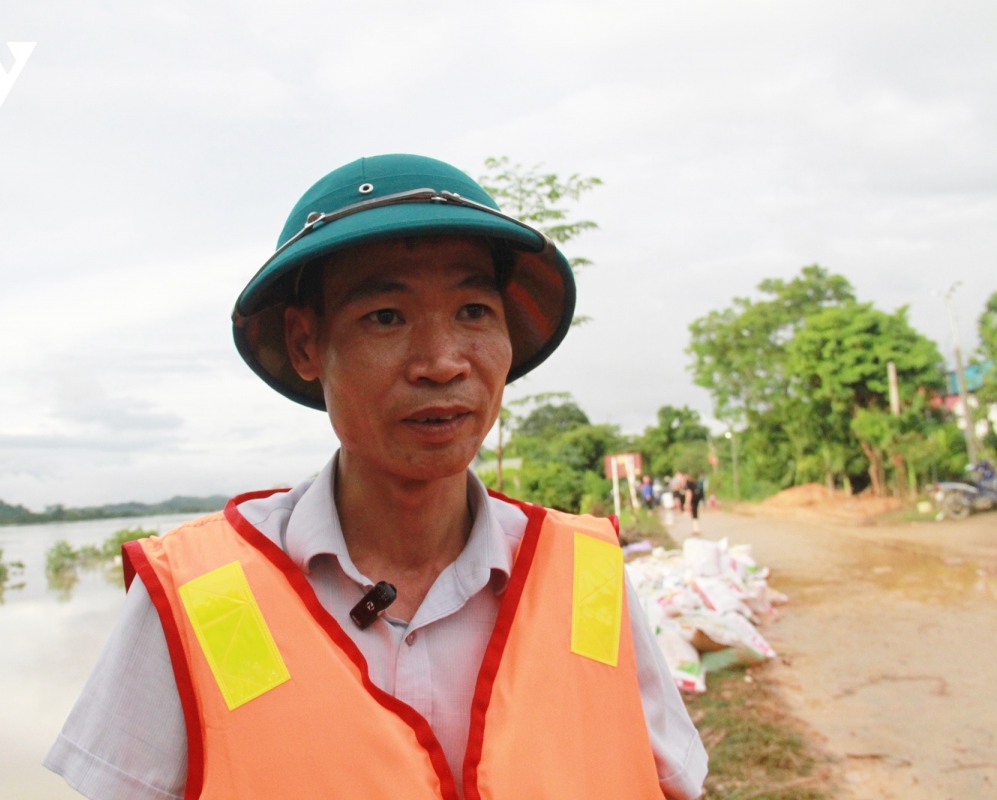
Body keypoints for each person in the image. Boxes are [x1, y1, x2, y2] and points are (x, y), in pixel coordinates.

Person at [43, 154, 707, 799]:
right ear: (307, 344)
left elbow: (663, 779)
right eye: (385, 316)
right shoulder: (208, 597)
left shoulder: (584, 576)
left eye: (473, 311)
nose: (442, 363)